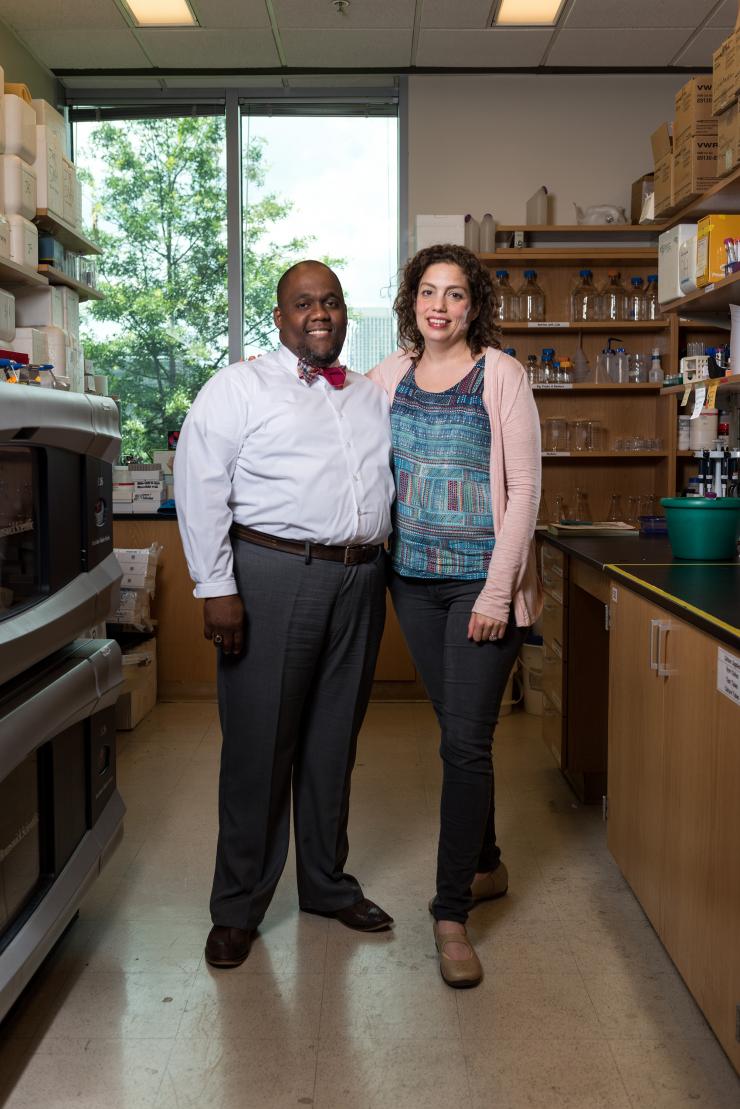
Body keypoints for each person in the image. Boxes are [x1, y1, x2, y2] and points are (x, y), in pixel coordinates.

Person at [175, 260, 396, 968]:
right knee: (258, 747)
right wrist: (216, 586)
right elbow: (200, 482)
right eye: (304, 303)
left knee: (334, 745)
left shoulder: (367, 395)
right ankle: (237, 906)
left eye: (331, 301)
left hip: (359, 579)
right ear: (279, 317)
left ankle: (327, 884)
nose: (320, 313)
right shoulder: (238, 388)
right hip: (270, 576)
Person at [370, 243, 542, 988]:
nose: (440, 305)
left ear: (475, 306)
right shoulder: (388, 376)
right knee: (462, 735)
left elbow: (526, 489)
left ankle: (449, 915)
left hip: (481, 588)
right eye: (428, 292)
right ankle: (489, 864)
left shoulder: (501, 374)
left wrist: (498, 593)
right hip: (412, 583)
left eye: (456, 294)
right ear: (412, 301)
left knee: (464, 744)